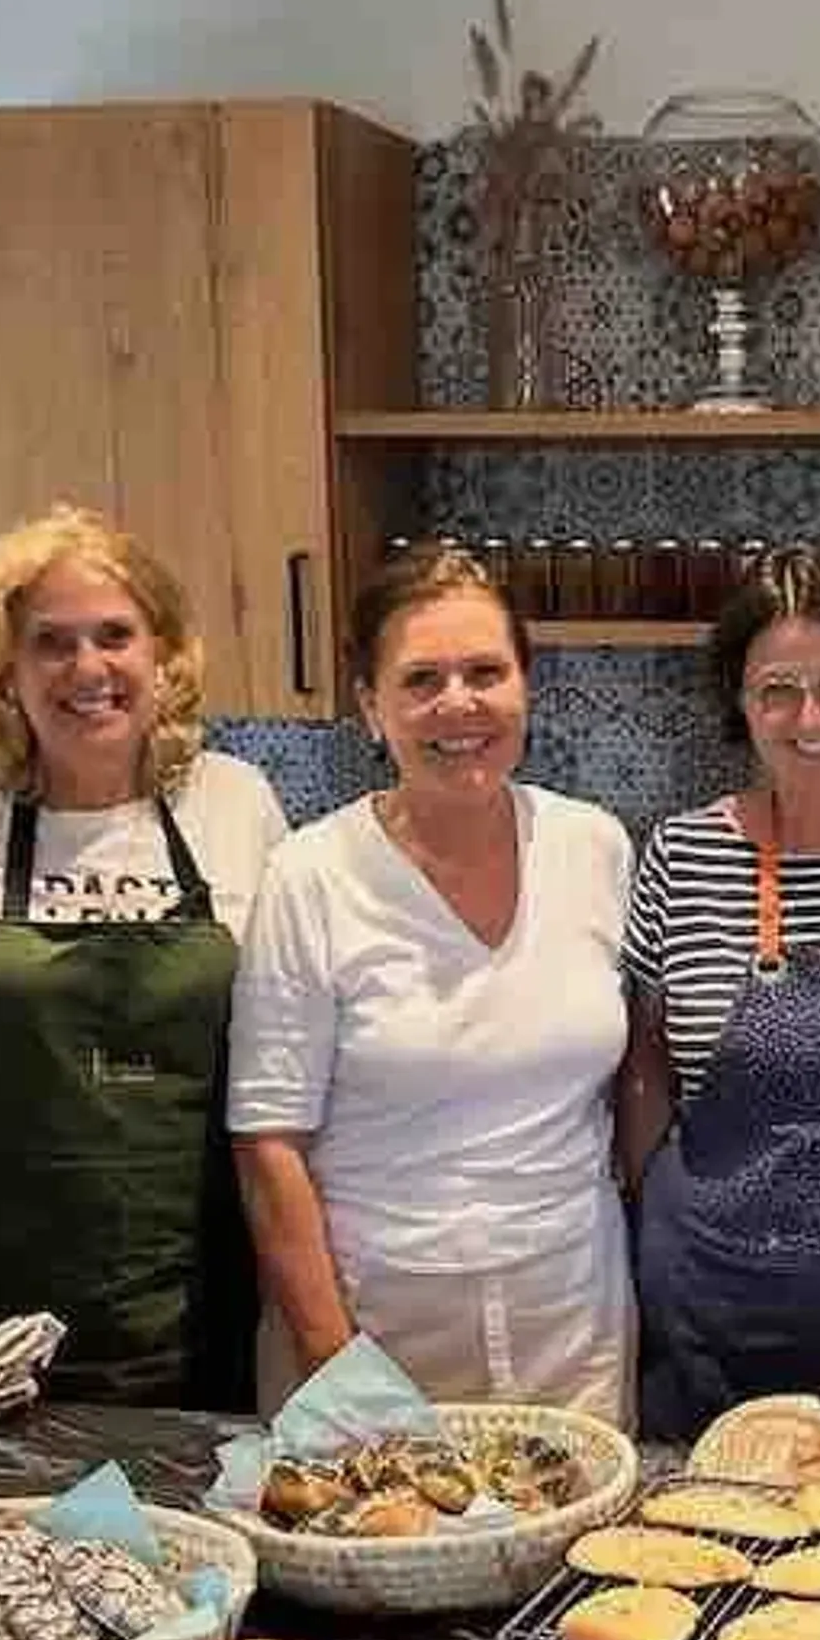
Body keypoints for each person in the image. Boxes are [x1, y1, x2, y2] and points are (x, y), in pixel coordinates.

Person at [0, 506, 289, 1402]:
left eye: (115, 636)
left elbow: (283, 1026)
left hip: (198, 1299)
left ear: (165, 655)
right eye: (51, 643)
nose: (88, 668)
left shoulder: (234, 802)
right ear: (4, 673)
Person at [228, 544, 637, 1421]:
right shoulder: (312, 874)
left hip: (573, 1316)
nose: (459, 703)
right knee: (387, 1546)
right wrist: (334, 1365)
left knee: (581, 1553)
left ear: (527, 685)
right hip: (375, 1321)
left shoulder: (594, 846)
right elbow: (270, 1143)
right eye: (421, 680)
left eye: (486, 671)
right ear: (372, 709)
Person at [613, 549, 820, 1440]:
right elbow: (645, 1066)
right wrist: (650, 1222)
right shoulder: (683, 853)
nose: (811, 717)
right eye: (776, 691)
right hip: (703, 1296)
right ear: (741, 704)